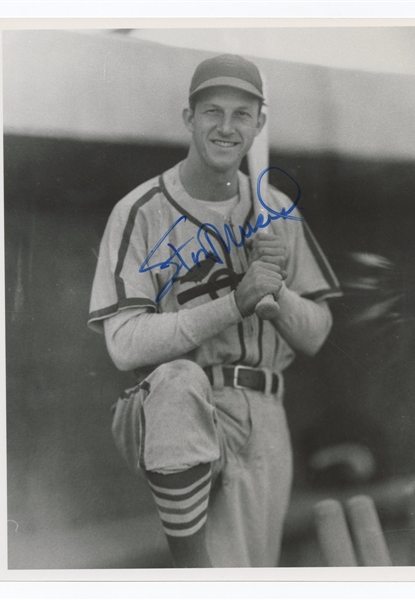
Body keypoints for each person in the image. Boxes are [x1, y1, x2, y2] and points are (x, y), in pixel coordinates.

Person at [88, 54, 342, 568]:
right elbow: (124, 344)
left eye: (242, 115)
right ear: (189, 118)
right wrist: (234, 303)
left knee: (251, 571)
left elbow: (316, 334)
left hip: (266, 412)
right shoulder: (142, 210)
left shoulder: (277, 211)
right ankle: (192, 572)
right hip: (181, 410)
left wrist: (277, 299)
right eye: (212, 112)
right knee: (180, 381)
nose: (226, 127)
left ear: (259, 125)